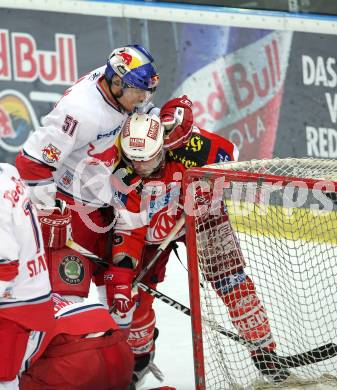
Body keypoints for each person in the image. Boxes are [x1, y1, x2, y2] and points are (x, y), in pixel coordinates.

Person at [102, 98, 290, 386]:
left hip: (203, 216)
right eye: (135, 161)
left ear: (163, 147)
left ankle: (263, 349)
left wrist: (192, 137)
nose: (142, 168)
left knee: (231, 281)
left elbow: (231, 154)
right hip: (150, 230)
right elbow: (129, 230)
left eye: (150, 160)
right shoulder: (122, 176)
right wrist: (124, 270)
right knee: (135, 295)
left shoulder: (185, 146)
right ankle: (141, 354)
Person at [15, 44, 160, 300]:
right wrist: (49, 212)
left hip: (109, 202)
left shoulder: (115, 84)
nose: (142, 99)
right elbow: (32, 162)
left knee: (121, 301)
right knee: (67, 300)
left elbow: (143, 111)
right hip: (74, 211)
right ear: (117, 82)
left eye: (146, 92)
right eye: (138, 91)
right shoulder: (80, 111)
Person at [0, 163, 54, 390]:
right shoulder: (7, 171)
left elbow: (6, 266)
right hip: (33, 289)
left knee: (4, 378)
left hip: (16, 305)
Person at [19, 293, 134, 390]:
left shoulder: (18, 317)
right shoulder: (49, 296)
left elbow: (18, 365)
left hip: (78, 371)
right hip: (123, 359)